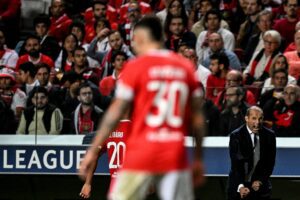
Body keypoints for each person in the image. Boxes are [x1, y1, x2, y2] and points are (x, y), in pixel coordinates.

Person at [79, 16, 205, 200]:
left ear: (143, 37)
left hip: (144, 150)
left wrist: (92, 151)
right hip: (174, 152)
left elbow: (116, 111)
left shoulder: (135, 68)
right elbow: (198, 118)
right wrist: (199, 157)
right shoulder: (184, 67)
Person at [228, 106, 276, 200]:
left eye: (260, 119)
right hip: (239, 183)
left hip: (260, 184)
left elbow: (270, 163)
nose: (257, 123)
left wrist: (260, 181)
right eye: (254, 118)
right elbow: (236, 164)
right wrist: (241, 186)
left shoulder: (270, 136)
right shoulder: (236, 136)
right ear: (246, 118)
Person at [79, 118, 131, 199]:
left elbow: (94, 154)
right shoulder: (135, 128)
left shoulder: (109, 129)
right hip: (131, 184)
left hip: (115, 187)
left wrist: (87, 183)